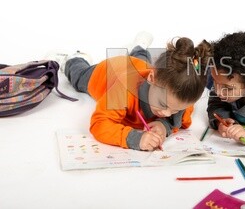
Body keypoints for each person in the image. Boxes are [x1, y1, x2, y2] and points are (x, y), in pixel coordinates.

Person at [52, 32, 213, 151]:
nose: (166, 113)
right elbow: (100, 124)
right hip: (108, 71)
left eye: (176, 109)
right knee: (79, 77)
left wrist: (164, 126)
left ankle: (139, 47)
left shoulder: (176, 93)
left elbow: (183, 117)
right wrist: (135, 138)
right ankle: (71, 59)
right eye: (163, 104)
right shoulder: (122, 90)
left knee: (142, 61)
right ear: (151, 78)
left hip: (141, 67)